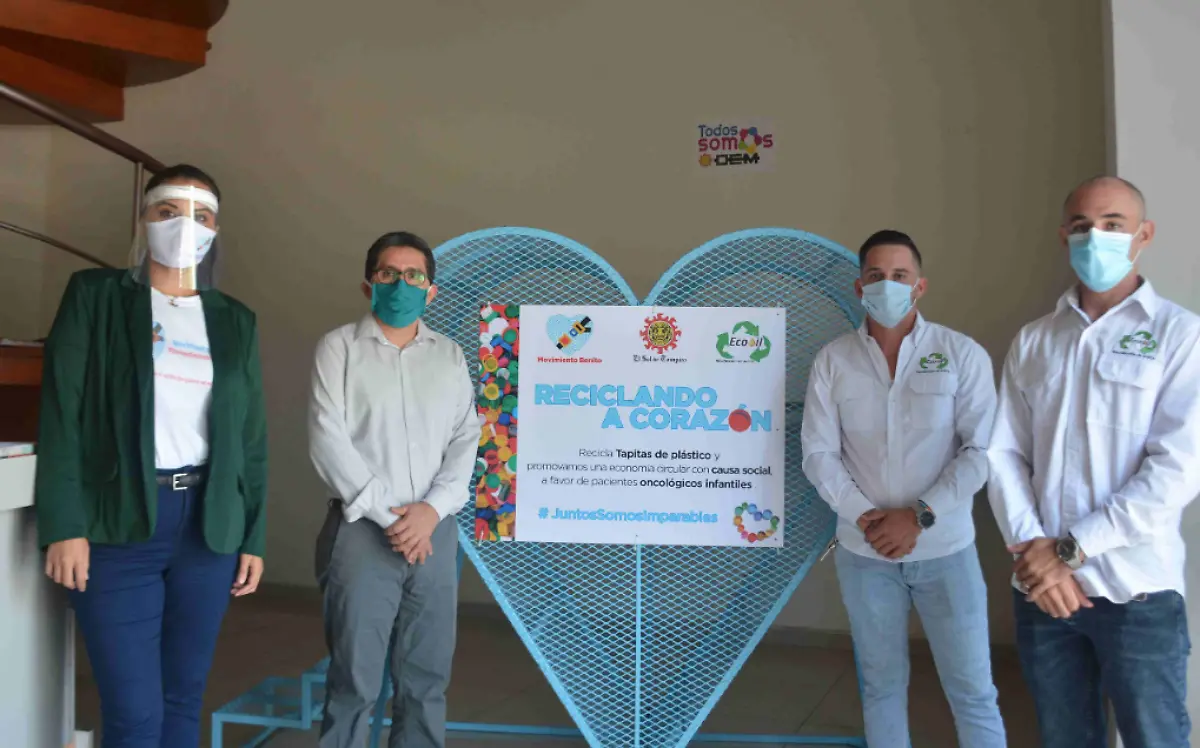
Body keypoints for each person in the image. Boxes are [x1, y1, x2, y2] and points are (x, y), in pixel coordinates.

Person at [36, 164, 268, 748]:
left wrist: (254, 534)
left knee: (183, 700)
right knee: (134, 712)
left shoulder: (235, 321)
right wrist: (65, 523)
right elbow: (62, 413)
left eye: (201, 216)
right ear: (144, 218)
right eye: (169, 211)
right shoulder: (95, 297)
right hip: (117, 524)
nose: (186, 226)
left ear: (216, 230)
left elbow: (251, 440)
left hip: (208, 528)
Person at [988, 176, 1200, 748]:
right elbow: (1003, 453)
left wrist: (1068, 551)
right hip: (1043, 595)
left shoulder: (1180, 336)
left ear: (1144, 235)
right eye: (1082, 227)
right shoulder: (1035, 340)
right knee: (1064, 738)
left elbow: (1176, 469)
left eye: (1112, 225)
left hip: (1137, 593)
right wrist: (1036, 557)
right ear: (1064, 237)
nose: (1095, 237)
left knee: (1155, 738)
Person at [801, 230, 1005, 748]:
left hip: (946, 551)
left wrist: (917, 516)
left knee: (973, 690)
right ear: (859, 287)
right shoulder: (833, 360)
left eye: (899, 275)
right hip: (864, 553)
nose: (887, 285)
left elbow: (980, 452)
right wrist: (865, 516)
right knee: (881, 687)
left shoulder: (960, 354)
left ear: (920, 285)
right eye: (876, 276)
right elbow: (818, 454)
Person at [309, 231, 476, 748]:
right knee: (353, 680)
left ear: (431, 290)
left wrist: (431, 512)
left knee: (426, 679)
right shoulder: (338, 349)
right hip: (362, 531)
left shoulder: (449, 356)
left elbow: (465, 437)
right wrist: (394, 519)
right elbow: (328, 439)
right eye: (388, 273)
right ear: (368, 284)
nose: (401, 284)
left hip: (434, 533)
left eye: (413, 275)